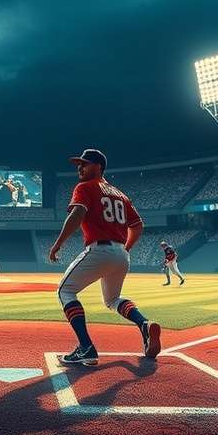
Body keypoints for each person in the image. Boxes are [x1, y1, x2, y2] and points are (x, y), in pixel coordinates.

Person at [48, 149, 161, 367]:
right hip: (121, 254)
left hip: (100, 249)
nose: (79, 168)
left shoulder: (85, 187)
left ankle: (86, 347)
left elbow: (77, 213)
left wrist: (58, 243)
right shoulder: (120, 194)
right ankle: (144, 324)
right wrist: (126, 248)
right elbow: (137, 225)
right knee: (112, 300)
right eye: (78, 164)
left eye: (85, 164)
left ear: (99, 166)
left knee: (66, 290)